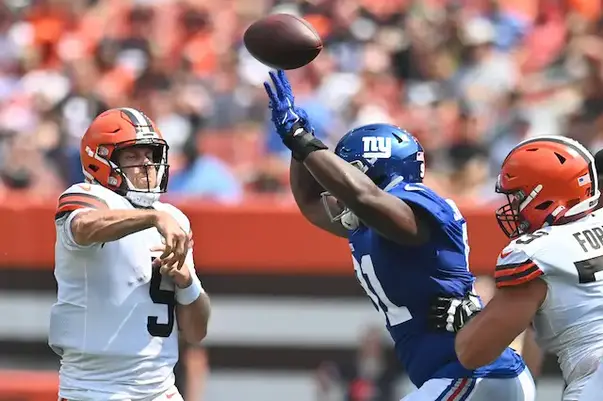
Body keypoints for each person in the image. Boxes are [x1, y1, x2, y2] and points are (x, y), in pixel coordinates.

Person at [263, 70, 535, 400]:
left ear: (371, 170)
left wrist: (304, 142)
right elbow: (308, 202)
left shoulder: (418, 209)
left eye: (349, 170)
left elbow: (366, 198)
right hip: (454, 375)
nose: (335, 186)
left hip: (478, 373)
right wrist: (297, 145)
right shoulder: (366, 223)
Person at [49, 107, 211, 401]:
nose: (146, 164)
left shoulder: (173, 217)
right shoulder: (88, 196)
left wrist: (187, 284)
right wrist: (150, 219)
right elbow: (85, 226)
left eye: (150, 155)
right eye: (132, 156)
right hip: (93, 390)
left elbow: (197, 332)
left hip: (161, 390)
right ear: (102, 160)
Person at [429, 136, 603, 401]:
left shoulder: (535, 252)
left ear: (543, 194)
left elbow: (473, 352)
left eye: (517, 196)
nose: (511, 207)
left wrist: (474, 317)